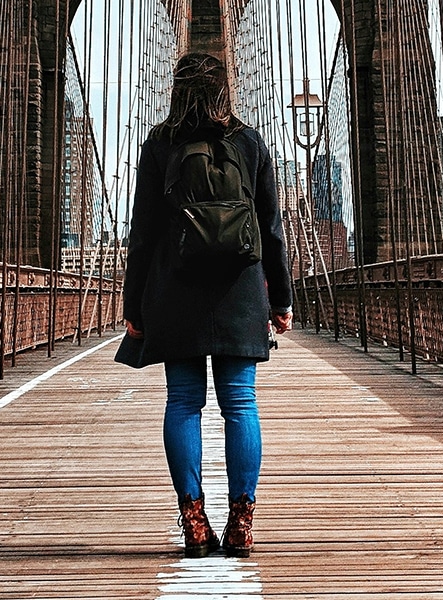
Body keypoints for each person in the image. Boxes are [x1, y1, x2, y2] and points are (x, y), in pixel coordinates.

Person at [116, 52, 292, 559]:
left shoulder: (160, 144)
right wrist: (280, 299)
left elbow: (143, 235)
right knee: (240, 402)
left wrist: (135, 306)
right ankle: (241, 523)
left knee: (183, 403)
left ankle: (195, 524)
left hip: (175, 290)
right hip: (238, 292)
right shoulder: (250, 142)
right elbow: (273, 232)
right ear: (225, 91)